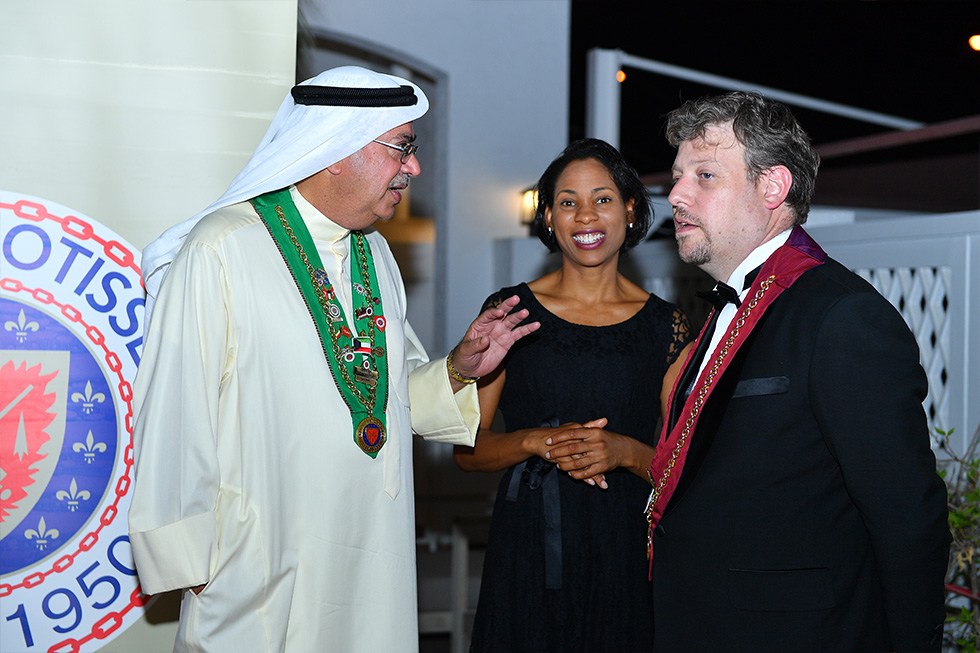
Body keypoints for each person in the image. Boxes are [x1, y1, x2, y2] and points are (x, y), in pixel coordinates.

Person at [127, 66, 539, 652]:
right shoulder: (223, 248)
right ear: (337, 150)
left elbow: (385, 394)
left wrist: (458, 369)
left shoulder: (375, 253)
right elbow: (176, 410)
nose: (414, 169)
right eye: (402, 148)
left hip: (374, 555)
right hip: (260, 564)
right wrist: (197, 564)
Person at [639, 91, 950, 651]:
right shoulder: (722, 311)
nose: (676, 195)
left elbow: (906, 517)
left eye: (704, 175)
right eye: (678, 176)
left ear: (773, 187)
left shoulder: (842, 316)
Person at [454, 138, 693, 651]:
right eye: (568, 202)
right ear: (547, 217)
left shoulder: (667, 327)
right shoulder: (510, 313)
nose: (586, 215)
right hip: (527, 544)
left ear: (630, 210)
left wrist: (624, 452)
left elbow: (686, 467)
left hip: (624, 549)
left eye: (603, 199)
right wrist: (534, 442)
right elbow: (467, 450)